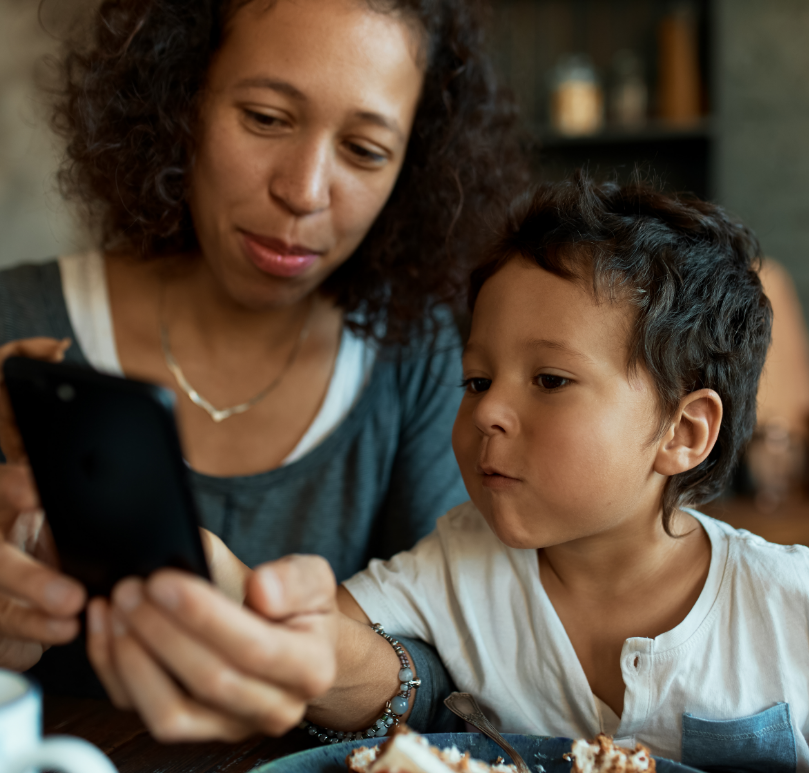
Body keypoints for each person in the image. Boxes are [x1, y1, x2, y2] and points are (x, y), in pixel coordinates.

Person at [185, 171, 809, 770]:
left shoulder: (799, 603)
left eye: (548, 378)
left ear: (682, 432)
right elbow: (304, 639)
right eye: (477, 380)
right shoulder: (456, 562)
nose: (488, 412)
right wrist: (216, 572)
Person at [0, 0, 526, 739]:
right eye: (266, 119)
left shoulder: (417, 355)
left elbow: (467, 679)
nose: (304, 191)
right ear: (179, 99)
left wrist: (335, 666)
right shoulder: (14, 321)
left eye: (365, 151)